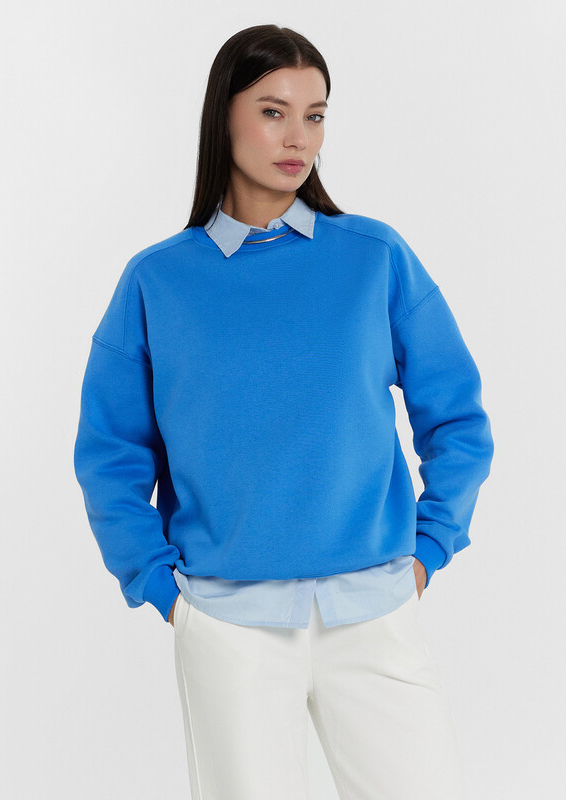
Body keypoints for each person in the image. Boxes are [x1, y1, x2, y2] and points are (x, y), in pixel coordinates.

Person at [73, 23, 493, 800]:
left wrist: (428, 549)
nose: (298, 137)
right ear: (223, 116)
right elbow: (110, 456)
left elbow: (457, 419)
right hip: (229, 627)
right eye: (273, 111)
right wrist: (163, 591)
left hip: (374, 611)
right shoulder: (157, 282)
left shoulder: (373, 257)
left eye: (314, 115)